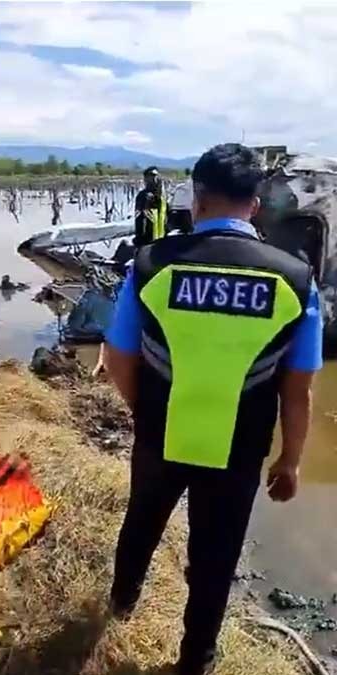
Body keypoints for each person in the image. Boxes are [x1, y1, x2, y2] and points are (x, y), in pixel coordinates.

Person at [101, 143, 322, 675]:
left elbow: (117, 357)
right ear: (256, 204)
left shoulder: (152, 264)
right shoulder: (294, 279)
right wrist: (290, 461)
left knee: (142, 525)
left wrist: (145, 411)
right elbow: (298, 389)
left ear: (196, 199)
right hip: (239, 448)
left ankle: (120, 606)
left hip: (162, 433)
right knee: (216, 556)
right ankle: (194, 659)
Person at [133, 166, 168, 247]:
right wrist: (139, 239)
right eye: (151, 176)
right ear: (145, 179)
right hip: (148, 241)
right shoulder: (143, 196)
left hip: (162, 241)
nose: (154, 179)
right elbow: (138, 219)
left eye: (156, 176)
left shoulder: (162, 197)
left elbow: (166, 217)